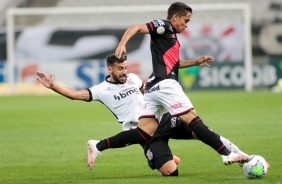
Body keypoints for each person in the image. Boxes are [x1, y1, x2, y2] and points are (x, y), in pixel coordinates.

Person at [37, 53, 251, 176]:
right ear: (110, 69)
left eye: (126, 67)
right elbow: (75, 95)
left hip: (162, 120)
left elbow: (158, 79)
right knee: (170, 172)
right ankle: (161, 158)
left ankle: (244, 158)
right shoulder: (101, 89)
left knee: (202, 130)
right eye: (120, 68)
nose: (125, 71)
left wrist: (193, 63)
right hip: (139, 132)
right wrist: (53, 86)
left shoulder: (133, 79)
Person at [113, 1, 250, 175]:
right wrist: (122, 44)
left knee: (145, 131)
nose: (186, 25)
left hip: (153, 89)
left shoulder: (170, 38)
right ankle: (226, 153)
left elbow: (174, 64)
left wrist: (196, 62)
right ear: (175, 16)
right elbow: (135, 28)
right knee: (193, 120)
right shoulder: (164, 25)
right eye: (185, 20)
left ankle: (103, 146)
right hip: (165, 84)